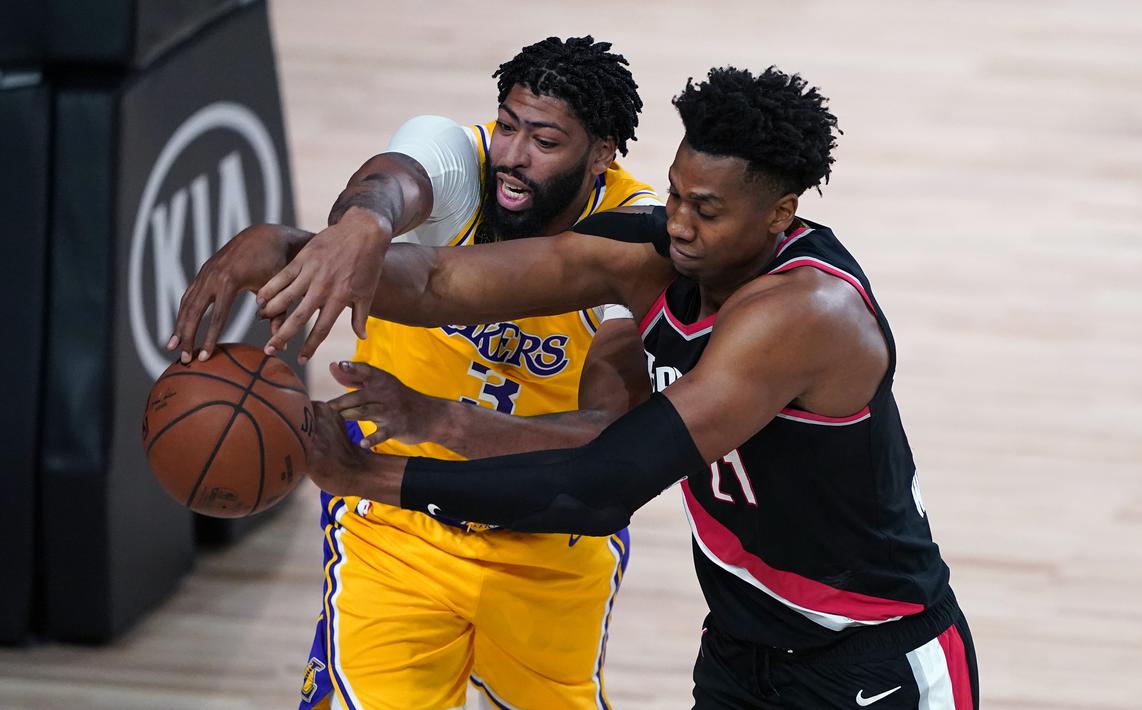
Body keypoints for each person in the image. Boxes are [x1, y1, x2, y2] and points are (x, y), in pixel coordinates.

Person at [177, 66, 978, 707]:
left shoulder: (802, 315)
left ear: (780, 214)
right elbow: (441, 282)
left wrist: (375, 475)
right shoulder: (653, 252)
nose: (679, 223)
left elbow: (600, 484)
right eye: (674, 194)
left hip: (869, 652)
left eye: (706, 210)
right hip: (743, 643)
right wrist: (291, 251)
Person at [172, 36, 658, 710]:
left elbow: (608, 440)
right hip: (394, 518)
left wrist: (439, 420)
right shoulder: (460, 157)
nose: (513, 156)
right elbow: (394, 178)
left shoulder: (634, 238)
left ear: (602, 153)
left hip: (547, 538)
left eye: (545, 141)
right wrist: (360, 225)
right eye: (508, 126)